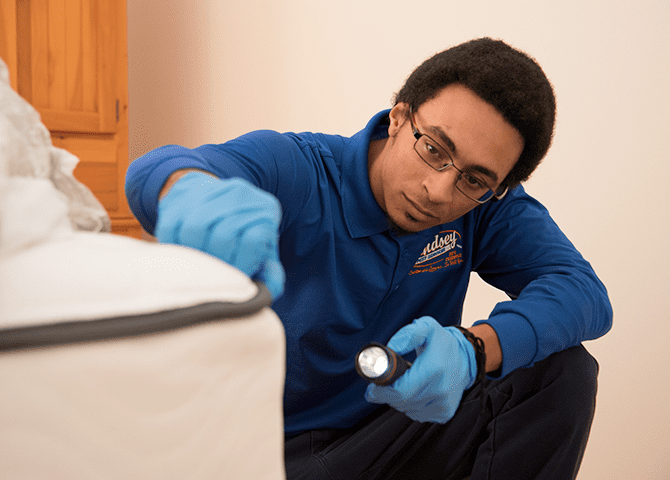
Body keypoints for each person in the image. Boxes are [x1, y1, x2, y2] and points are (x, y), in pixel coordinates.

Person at [125, 38, 612, 479]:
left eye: (475, 180)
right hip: (270, 454)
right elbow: (162, 166)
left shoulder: (484, 207)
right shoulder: (302, 169)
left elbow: (582, 291)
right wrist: (186, 188)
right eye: (435, 149)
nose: (439, 189)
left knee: (562, 374)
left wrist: (475, 349)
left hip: (394, 435)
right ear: (399, 117)